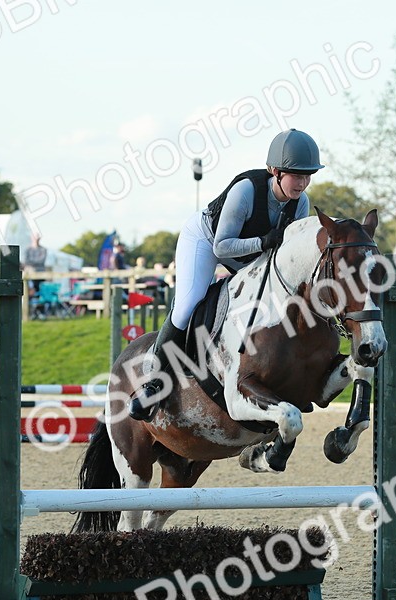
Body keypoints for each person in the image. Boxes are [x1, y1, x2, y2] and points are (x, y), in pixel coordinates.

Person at [128, 128, 323, 421]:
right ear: (275, 171)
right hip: (207, 240)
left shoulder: (302, 203)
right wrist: (261, 243)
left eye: (308, 175)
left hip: (250, 252)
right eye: (296, 174)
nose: (303, 182)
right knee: (188, 304)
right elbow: (222, 246)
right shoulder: (246, 191)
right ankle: (154, 382)